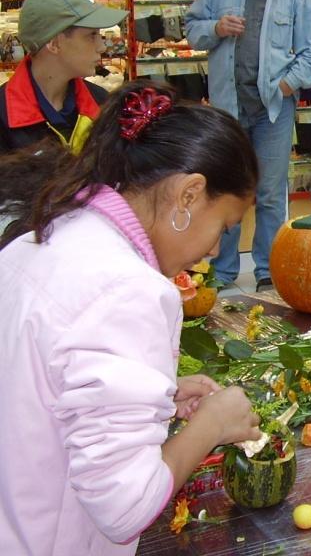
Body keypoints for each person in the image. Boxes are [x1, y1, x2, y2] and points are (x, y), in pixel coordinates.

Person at [0, 81, 262, 555]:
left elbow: (40, 385)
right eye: (223, 226)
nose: (216, 250)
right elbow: (125, 507)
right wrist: (212, 427)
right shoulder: (130, 291)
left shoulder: (48, 233)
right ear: (188, 195)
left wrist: (148, 397)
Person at [186, 0, 311, 291]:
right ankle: (223, 271)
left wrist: (286, 86)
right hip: (227, 111)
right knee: (226, 190)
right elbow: (192, 31)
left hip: (273, 112)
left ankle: (268, 270)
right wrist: (214, 28)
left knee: (269, 192)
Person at [0, 0, 127, 154]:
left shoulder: (101, 103)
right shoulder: (4, 117)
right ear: (54, 44)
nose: (102, 47)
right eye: (91, 35)